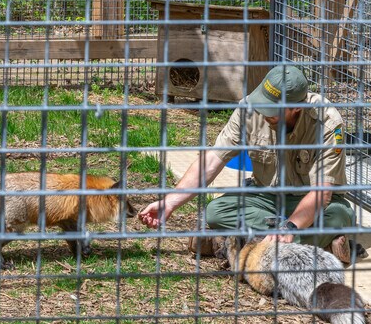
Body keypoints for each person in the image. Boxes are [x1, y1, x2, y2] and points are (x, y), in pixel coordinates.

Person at [138, 64, 358, 266]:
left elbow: (322, 193)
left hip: (312, 202)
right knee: (215, 212)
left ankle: (234, 243)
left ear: (296, 108)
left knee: (337, 217)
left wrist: (290, 227)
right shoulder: (249, 109)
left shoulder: (327, 122)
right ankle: (310, 245)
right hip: (265, 198)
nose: (262, 113)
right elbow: (213, 160)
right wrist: (170, 203)